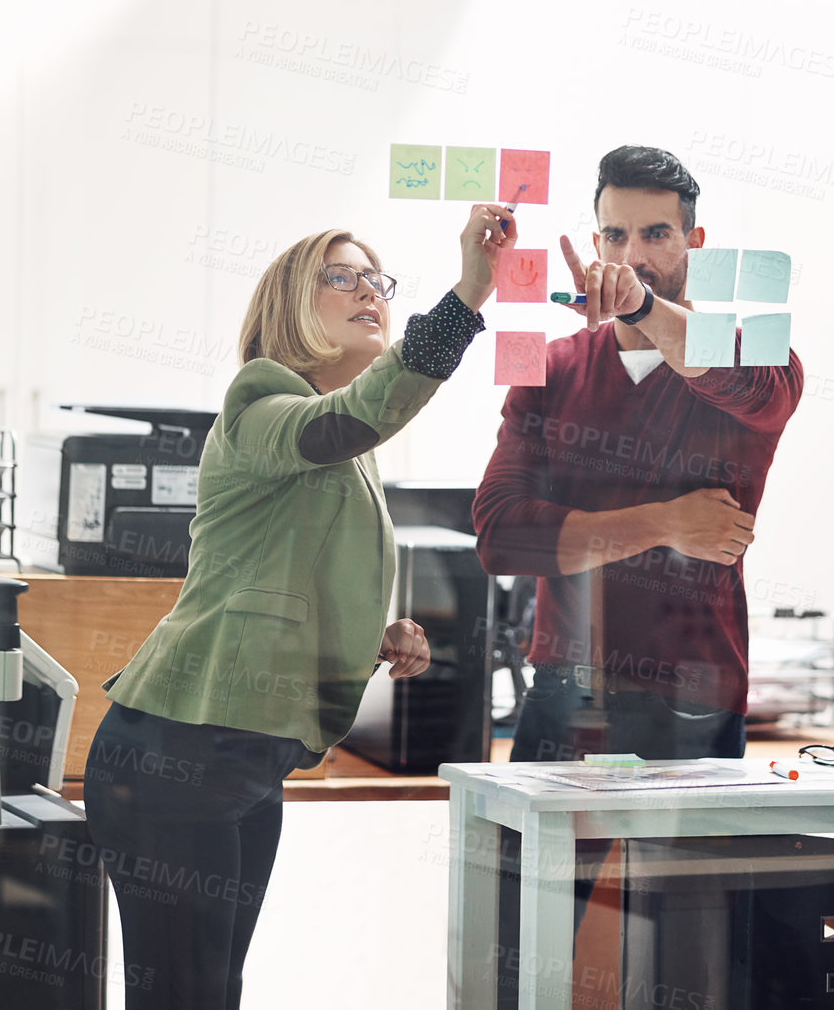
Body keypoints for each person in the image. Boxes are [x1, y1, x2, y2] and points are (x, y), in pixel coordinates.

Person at [84, 205, 515, 1010]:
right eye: (339, 277)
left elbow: (288, 572)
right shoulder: (260, 402)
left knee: (213, 989)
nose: (369, 292)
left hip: (246, 762)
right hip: (175, 755)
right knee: (182, 995)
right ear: (289, 306)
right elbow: (352, 417)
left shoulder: (343, 451)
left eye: (377, 281)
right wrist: (467, 295)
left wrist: (372, 632)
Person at [472, 144, 803, 1004]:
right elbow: (502, 537)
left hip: (693, 693)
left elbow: (745, 386)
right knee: (516, 941)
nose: (632, 253)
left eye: (656, 233)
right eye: (616, 234)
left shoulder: (759, 354)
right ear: (594, 237)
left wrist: (648, 307)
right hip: (563, 687)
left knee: (694, 960)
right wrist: (665, 523)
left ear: (696, 239)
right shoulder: (546, 366)